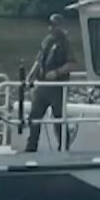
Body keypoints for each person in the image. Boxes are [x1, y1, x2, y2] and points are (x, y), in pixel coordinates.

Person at [24, 13, 78, 152]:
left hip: (57, 87)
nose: (51, 28)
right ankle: (31, 148)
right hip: (42, 86)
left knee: (59, 119)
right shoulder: (47, 41)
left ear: (60, 26)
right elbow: (38, 60)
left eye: (54, 25)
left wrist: (57, 72)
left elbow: (73, 64)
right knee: (34, 116)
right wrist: (30, 76)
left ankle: (63, 147)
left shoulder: (66, 43)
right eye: (50, 25)